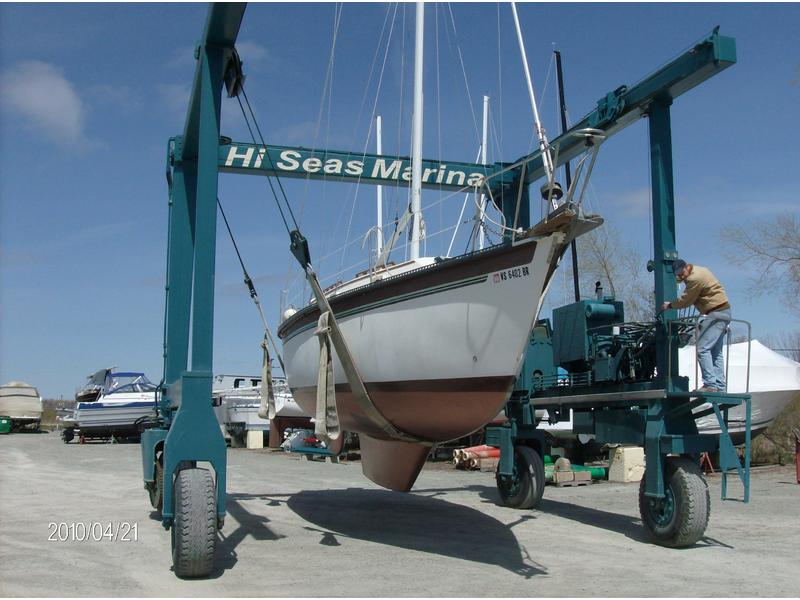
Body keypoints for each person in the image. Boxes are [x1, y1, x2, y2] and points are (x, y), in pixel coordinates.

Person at [660, 259, 731, 392]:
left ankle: (710, 384)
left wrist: (669, 305)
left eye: (682, 273)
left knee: (702, 349)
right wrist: (679, 280)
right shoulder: (700, 270)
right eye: (678, 275)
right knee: (715, 352)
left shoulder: (695, 279)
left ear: (687, 267)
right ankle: (720, 386)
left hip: (715, 313)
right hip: (723, 312)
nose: (681, 276)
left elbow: (686, 300)